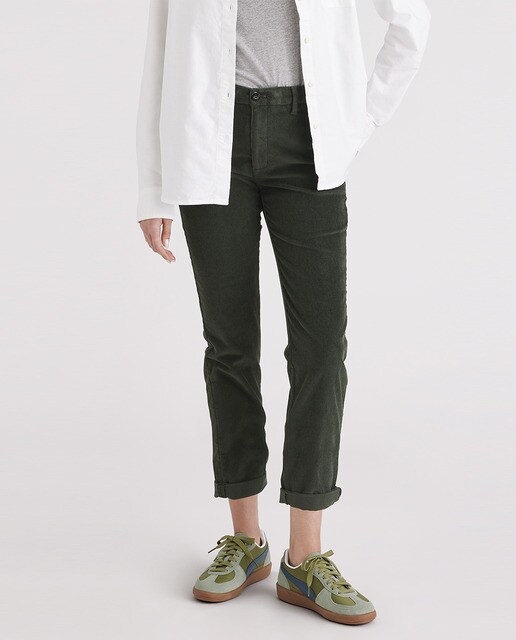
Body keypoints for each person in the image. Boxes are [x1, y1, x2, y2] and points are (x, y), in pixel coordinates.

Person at [136, 0, 430, 625]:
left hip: (311, 137)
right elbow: (161, 49)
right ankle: (246, 541)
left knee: (321, 349)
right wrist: (151, 187)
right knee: (230, 346)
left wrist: (360, 119)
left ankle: (305, 557)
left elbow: (410, 17)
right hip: (209, 137)